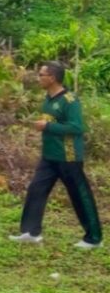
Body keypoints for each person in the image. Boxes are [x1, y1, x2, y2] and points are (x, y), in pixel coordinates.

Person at [9, 61, 102, 249]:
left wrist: (48, 126)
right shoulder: (48, 99)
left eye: (41, 75)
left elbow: (77, 127)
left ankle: (94, 238)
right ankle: (31, 232)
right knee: (36, 190)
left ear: (52, 78)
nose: (38, 78)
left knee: (80, 196)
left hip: (68, 158)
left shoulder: (69, 100)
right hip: (49, 156)